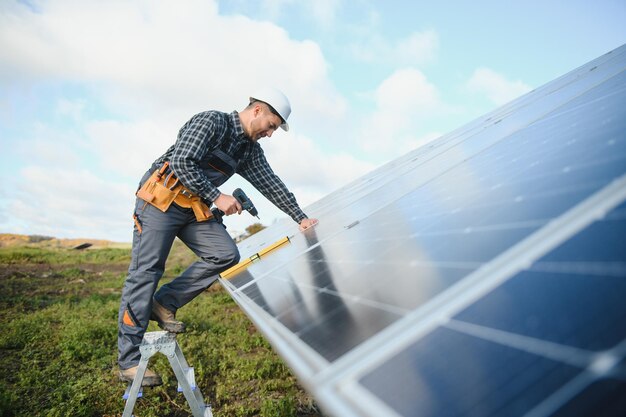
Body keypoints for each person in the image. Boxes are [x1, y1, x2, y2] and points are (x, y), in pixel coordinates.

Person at [117, 87, 318, 386]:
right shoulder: (212, 122)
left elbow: (271, 184)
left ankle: (164, 303)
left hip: (192, 207)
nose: (270, 134)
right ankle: (129, 361)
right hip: (160, 201)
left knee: (225, 254)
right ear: (258, 110)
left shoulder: (248, 151)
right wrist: (217, 196)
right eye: (272, 126)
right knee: (146, 272)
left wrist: (300, 217)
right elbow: (183, 161)